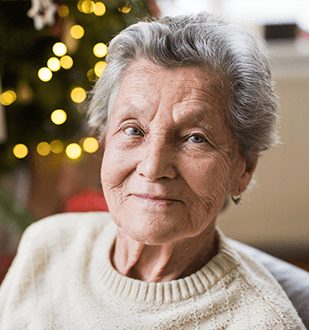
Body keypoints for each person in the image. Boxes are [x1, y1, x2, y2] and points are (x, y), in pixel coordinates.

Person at [0, 13, 306, 329]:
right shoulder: (46, 245)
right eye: (133, 130)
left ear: (245, 169)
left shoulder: (260, 322)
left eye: (195, 138)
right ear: (105, 141)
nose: (153, 166)